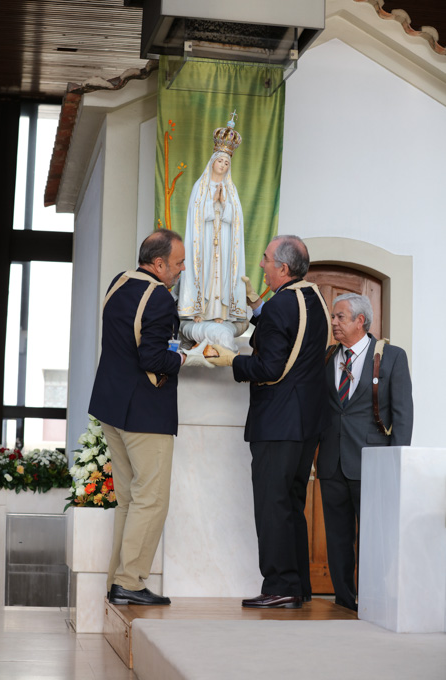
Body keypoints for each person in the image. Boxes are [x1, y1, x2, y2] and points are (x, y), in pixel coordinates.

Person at [88, 228, 212, 606]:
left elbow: (127, 342)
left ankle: (117, 581)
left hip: (110, 406)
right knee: (152, 500)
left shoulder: (120, 282)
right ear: (158, 264)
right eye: (177, 263)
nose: (181, 269)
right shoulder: (158, 297)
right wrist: (188, 356)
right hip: (144, 412)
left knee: (129, 500)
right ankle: (130, 581)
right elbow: (153, 359)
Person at [208, 235, 331, 608]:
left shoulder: (281, 306)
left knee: (272, 506)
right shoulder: (314, 298)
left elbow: (270, 367)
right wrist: (259, 307)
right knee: (291, 504)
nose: (261, 265)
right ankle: (298, 586)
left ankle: (279, 586)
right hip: (306, 423)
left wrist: (231, 360)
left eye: (265, 259)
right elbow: (295, 336)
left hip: (278, 422)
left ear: (283, 267)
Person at [317, 293, 414, 611]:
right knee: (337, 537)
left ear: (361, 321)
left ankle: (374, 599)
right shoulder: (328, 356)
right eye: (333, 317)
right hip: (331, 462)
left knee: (375, 536)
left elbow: (402, 414)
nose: (334, 323)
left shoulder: (392, 356)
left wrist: (397, 464)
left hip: (373, 462)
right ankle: (344, 600)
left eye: (340, 317)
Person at [176, 116, 248, 351]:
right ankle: (200, 311)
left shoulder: (231, 190)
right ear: (212, 161)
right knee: (205, 272)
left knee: (222, 274)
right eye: (220, 161)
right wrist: (211, 203)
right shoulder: (200, 187)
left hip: (224, 242)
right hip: (205, 241)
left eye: (227, 163)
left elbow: (235, 219)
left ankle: (220, 312)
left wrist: (224, 204)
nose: (223, 166)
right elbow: (195, 217)